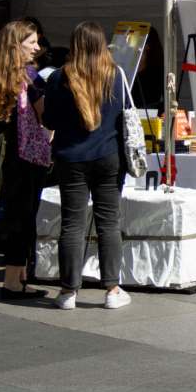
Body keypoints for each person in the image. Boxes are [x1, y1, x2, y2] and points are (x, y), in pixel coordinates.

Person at [42, 22, 129, 310]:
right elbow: (126, 117)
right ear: (102, 44)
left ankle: (68, 292)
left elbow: (49, 121)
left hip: (70, 158)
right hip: (109, 157)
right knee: (109, 223)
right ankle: (112, 290)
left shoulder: (58, 78)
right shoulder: (115, 75)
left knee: (72, 225)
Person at [0, 19, 47, 299]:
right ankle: (14, 281)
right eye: (31, 43)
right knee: (23, 218)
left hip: (4, 158)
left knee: (13, 215)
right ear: (16, 45)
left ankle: (19, 277)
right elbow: (46, 115)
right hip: (27, 157)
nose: (37, 48)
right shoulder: (30, 77)